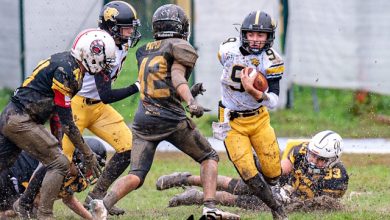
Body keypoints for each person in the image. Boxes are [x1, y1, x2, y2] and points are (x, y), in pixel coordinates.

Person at [90, 4, 239, 220]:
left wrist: (188, 92)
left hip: (143, 119)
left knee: (137, 174)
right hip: (169, 118)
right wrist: (190, 101)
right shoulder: (180, 46)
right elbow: (177, 77)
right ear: (181, 27)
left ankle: (103, 204)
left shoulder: (144, 50)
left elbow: (160, 85)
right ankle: (209, 207)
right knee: (209, 156)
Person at [15, 1, 142, 217]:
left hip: (98, 107)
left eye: (131, 27)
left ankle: (97, 198)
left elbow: (103, 96)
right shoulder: (99, 44)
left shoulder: (122, 43)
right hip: (78, 105)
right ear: (111, 28)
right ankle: (25, 202)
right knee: (58, 159)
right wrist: (138, 87)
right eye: (125, 28)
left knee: (129, 148)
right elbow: (107, 94)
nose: (130, 33)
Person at [0, 28, 116, 219]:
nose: (105, 65)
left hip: (13, 117)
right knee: (59, 162)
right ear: (92, 53)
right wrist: (87, 153)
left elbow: (56, 112)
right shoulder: (68, 70)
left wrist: (59, 141)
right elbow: (68, 121)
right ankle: (44, 213)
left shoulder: (70, 65)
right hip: (21, 119)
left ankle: (23, 205)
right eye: (104, 60)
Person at [207, 10, 287, 219]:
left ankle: (267, 177)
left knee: (273, 171)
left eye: (260, 35)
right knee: (247, 172)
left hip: (259, 118)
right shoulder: (227, 50)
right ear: (243, 34)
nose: (255, 39)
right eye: (251, 34)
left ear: (269, 37)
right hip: (231, 118)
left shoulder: (272, 60)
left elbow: (275, 100)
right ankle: (276, 207)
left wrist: (256, 93)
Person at [157, 131, 349, 212]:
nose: (313, 160)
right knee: (240, 186)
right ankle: (186, 178)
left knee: (244, 202)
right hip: (281, 185)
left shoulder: (338, 179)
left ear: (333, 160)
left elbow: (321, 203)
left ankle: (196, 197)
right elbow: (279, 171)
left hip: (293, 199)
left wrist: (292, 199)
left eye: (321, 159)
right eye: (313, 155)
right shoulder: (301, 149)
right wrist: (276, 186)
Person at [1, 138, 107, 219]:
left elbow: (68, 199)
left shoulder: (74, 174)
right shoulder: (60, 165)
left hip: (21, 185)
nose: (93, 170)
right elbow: (38, 199)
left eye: (97, 166)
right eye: (91, 165)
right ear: (79, 158)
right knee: (24, 210)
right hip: (10, 174)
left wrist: (90, 218)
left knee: (13, 212)